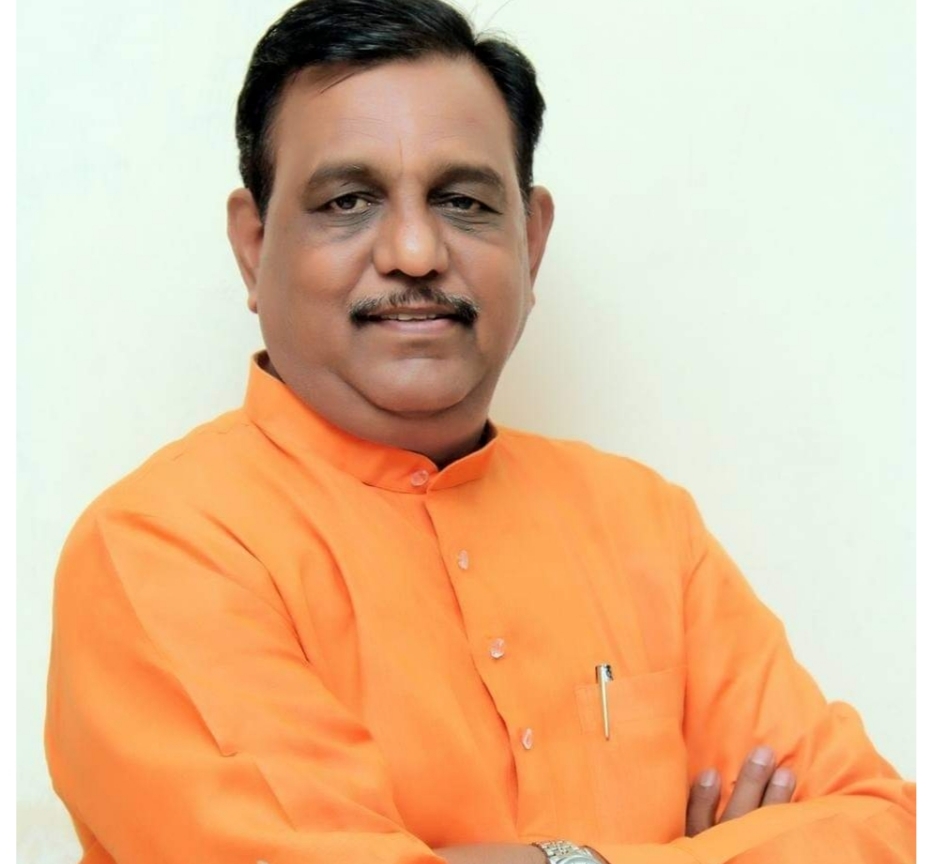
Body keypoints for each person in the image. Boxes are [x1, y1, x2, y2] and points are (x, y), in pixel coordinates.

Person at [45, 1, 914, 862]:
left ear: (531, 242)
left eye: (462, 201)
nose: (415, 252)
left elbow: (886, 824)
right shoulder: (164, 547)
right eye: (349, 201)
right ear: (252, 244)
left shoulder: (646, 527)